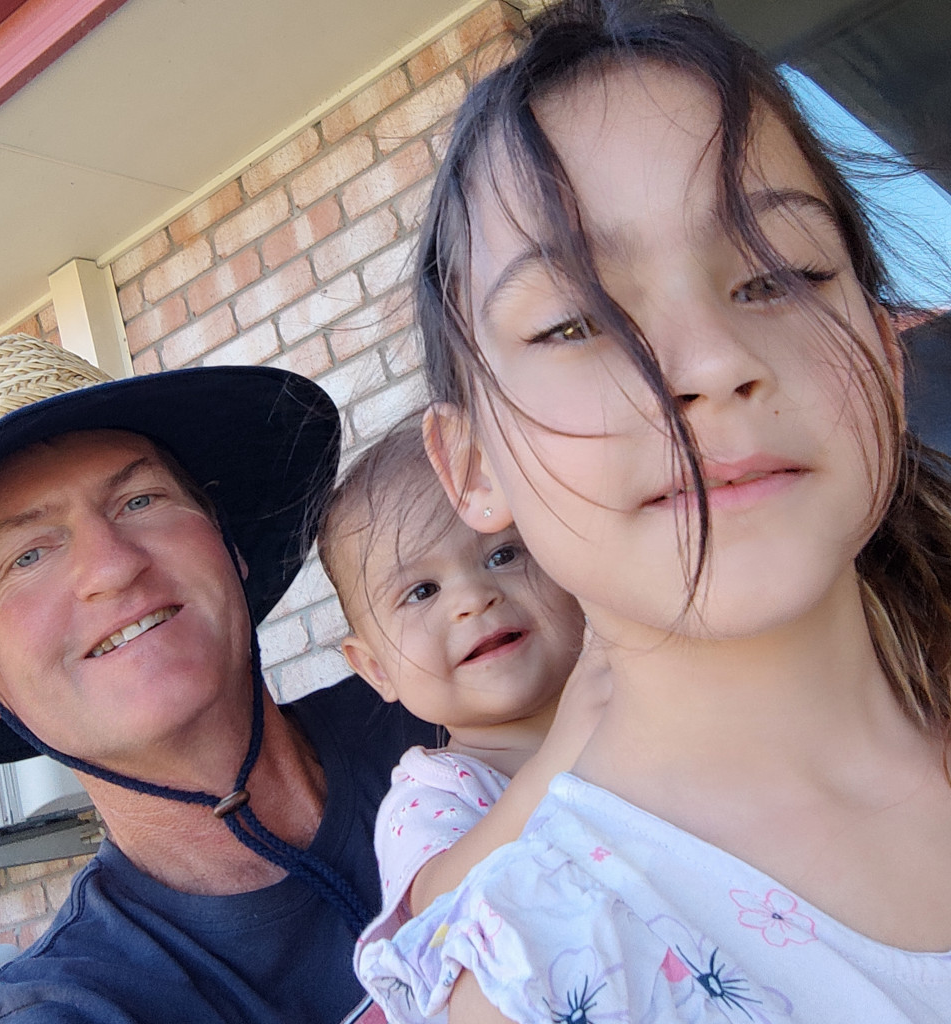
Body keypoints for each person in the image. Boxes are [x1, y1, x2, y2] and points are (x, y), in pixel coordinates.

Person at [356, 1, 951, 1021]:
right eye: (573, 321)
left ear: (885, 359)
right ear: (472, 464)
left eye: (778, 275)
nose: (712, 362)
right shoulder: (543, 974)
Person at [0, 333, 434, 1024]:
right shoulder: (77, 1005)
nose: (113, 567)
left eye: (139, 501)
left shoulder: (459, 717)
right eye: (28, 556)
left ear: (228, 545)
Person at [314, 415, 594, 968]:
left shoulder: (641, 690)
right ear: (376, 669)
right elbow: (442, 909)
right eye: (422, 591)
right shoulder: (433, 796)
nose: (473, 597)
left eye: (504, 554)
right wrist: (561, 756)